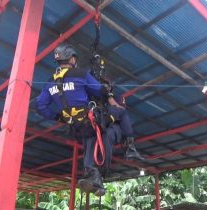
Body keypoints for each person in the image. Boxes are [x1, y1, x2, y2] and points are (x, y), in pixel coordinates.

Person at [36, 43, 141, 196]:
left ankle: (94, 177)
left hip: (75, 127)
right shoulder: (81, 74)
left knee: (90, 142)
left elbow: (40, 106)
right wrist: (107, 91)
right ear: (72, 59)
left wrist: (59, 117)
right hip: (91, 121)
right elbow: (100, 91)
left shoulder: (49, 82)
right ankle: (130, 148)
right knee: (122, 112)